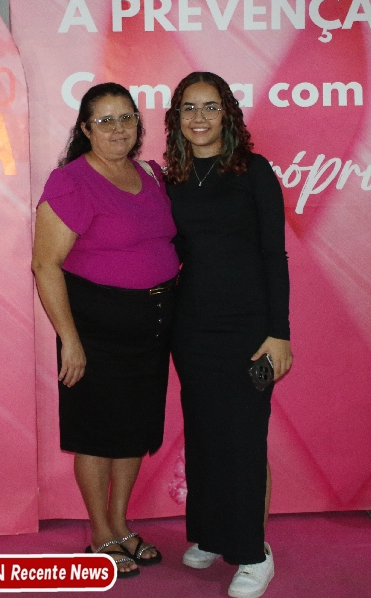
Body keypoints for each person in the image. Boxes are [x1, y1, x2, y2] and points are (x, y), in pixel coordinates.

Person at [31, 82, 180, 578]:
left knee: (132, 431)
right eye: (105, 120)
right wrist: (70, 341)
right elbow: (45, 265)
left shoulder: (150, 174)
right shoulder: (71, 182)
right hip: (95, 330)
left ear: (139, 122)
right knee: (97, 434)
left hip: (151, 329)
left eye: (126, 117)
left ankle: (120, 523)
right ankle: (100, 533)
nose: (118, 128)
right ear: (86, 129)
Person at [163, 71, 293, 598]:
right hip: (191, 329)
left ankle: (253, 553)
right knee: (203, 436)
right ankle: (212, 535)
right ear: (177, 118)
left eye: (210, 107)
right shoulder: (171, 178)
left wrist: (279, 333)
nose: (200, 118)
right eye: (189, 108)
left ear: (227, 114)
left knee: (242, 440)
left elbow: (274, 255)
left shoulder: (253, 171)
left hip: (247, 329)